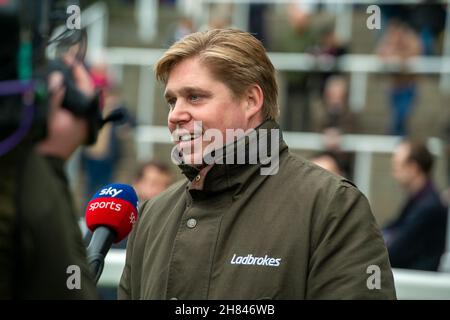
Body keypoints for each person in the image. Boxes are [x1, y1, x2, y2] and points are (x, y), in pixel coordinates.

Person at [118, 29, 396, 299]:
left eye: (194, 97)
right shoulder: (152, 216)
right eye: (171, 101)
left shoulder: (332, 206)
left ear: (251, 100)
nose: (175, 115)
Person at [383, 141, 448, 271]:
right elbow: (393, 228)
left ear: (413, 168)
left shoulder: (428, 205)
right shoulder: (419, 199)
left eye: (397, 167)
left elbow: (396, 250)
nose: (394, 174)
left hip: (418, 284)